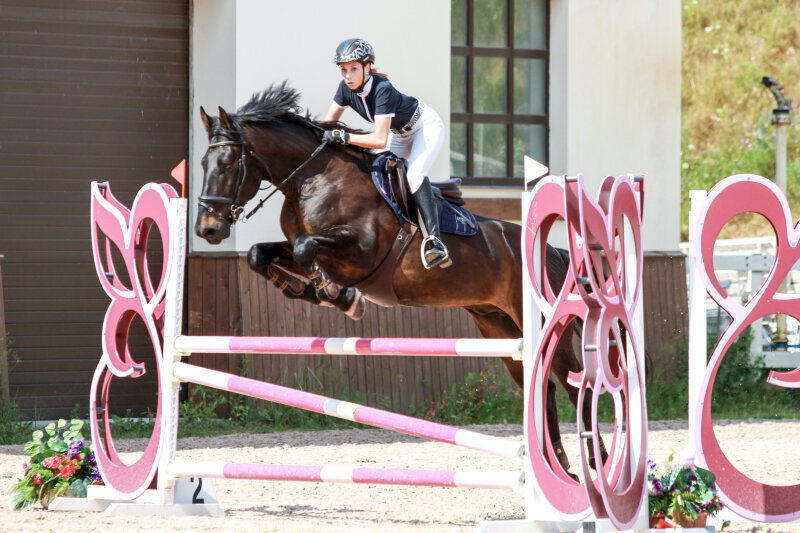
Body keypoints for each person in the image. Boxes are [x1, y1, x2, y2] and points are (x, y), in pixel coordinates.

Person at [321, 38, 452, 269]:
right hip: (399, 133)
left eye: (353, 69)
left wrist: (345, 137)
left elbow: (379, 139)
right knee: (376, 173)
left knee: (414, 175)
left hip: (424, 126)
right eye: (344, 70)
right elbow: (327, 122)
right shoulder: (345, 89)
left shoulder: (382, 90)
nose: (348, 76)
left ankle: (435, 241)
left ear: (367, 67)